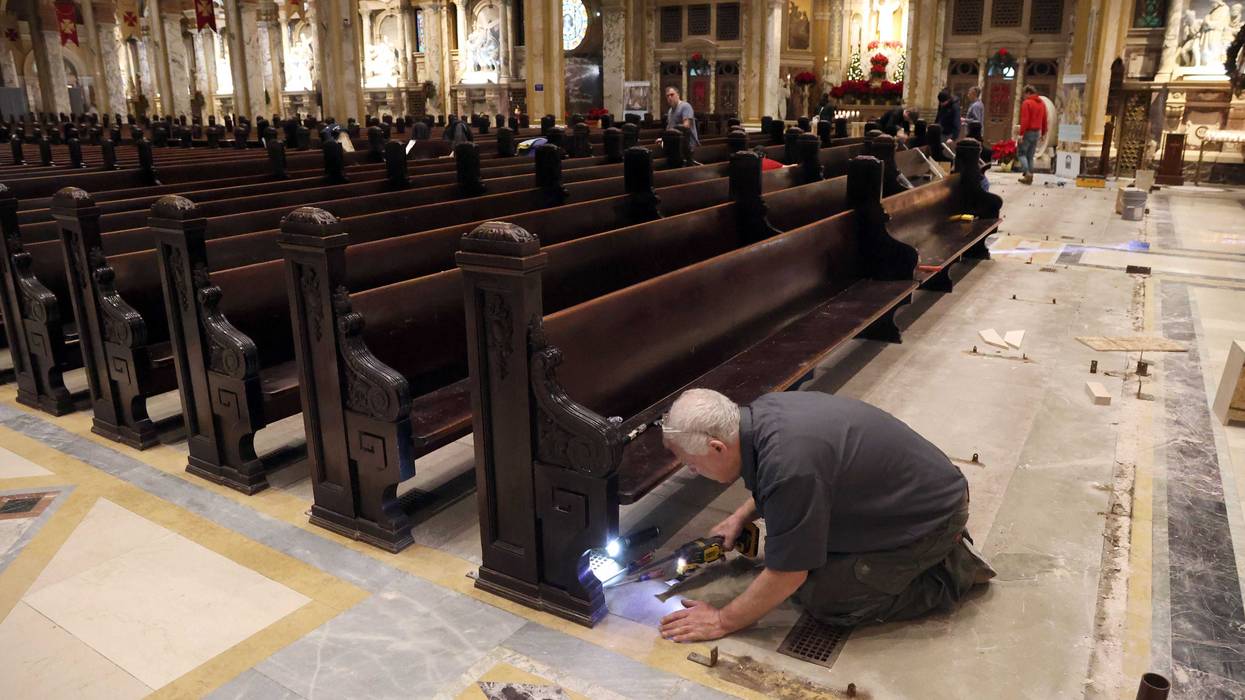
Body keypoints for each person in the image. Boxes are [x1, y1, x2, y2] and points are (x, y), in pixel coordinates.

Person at [657, 389, 994, 642]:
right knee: (806, 565)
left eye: (692, 463)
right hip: (909, 495)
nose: (694, 470)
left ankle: (951, 572)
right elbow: (786, 480)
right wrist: (740, 516)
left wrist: (723, 620)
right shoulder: (762, 415)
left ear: (717, 447)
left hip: (934, 517)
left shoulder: (789, 465)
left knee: (826, 598)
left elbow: (787, 574)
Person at [1017, 85, 1047, 185]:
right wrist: (1043, 133)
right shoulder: (1041, 103)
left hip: (1028, 132)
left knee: (1021, 154)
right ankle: (1029, 176)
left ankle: (1027, 173)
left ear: (1028, 93)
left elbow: (1025, 119)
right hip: (1037, 132)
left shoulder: (1027, 103)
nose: (1023, 96)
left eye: (1024, 94)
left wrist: (1021, 134)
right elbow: (1044, 119)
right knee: (1030, 156)